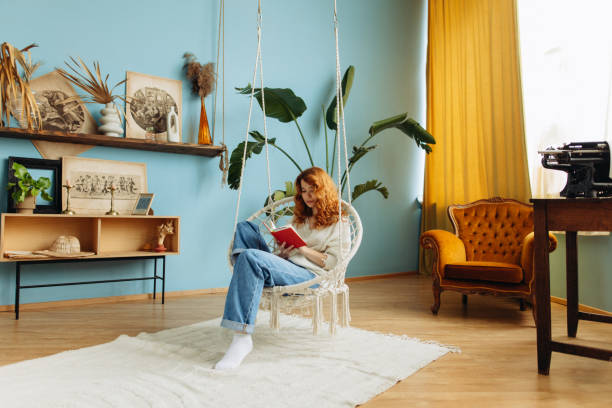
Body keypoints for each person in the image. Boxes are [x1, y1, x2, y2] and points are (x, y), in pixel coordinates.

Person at [215, 166, 351, 370]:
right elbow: (288, 254)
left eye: (312, 189)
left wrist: (302, 249)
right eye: (303, 191)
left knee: (249, 257)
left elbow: (333, 263)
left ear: (323, 189)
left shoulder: (339, 221)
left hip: (311, 275)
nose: (308, 196)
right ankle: (249, 273)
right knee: (246, 227)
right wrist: (284, 253)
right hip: (287, 265)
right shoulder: (300, 219)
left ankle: (242, 337)